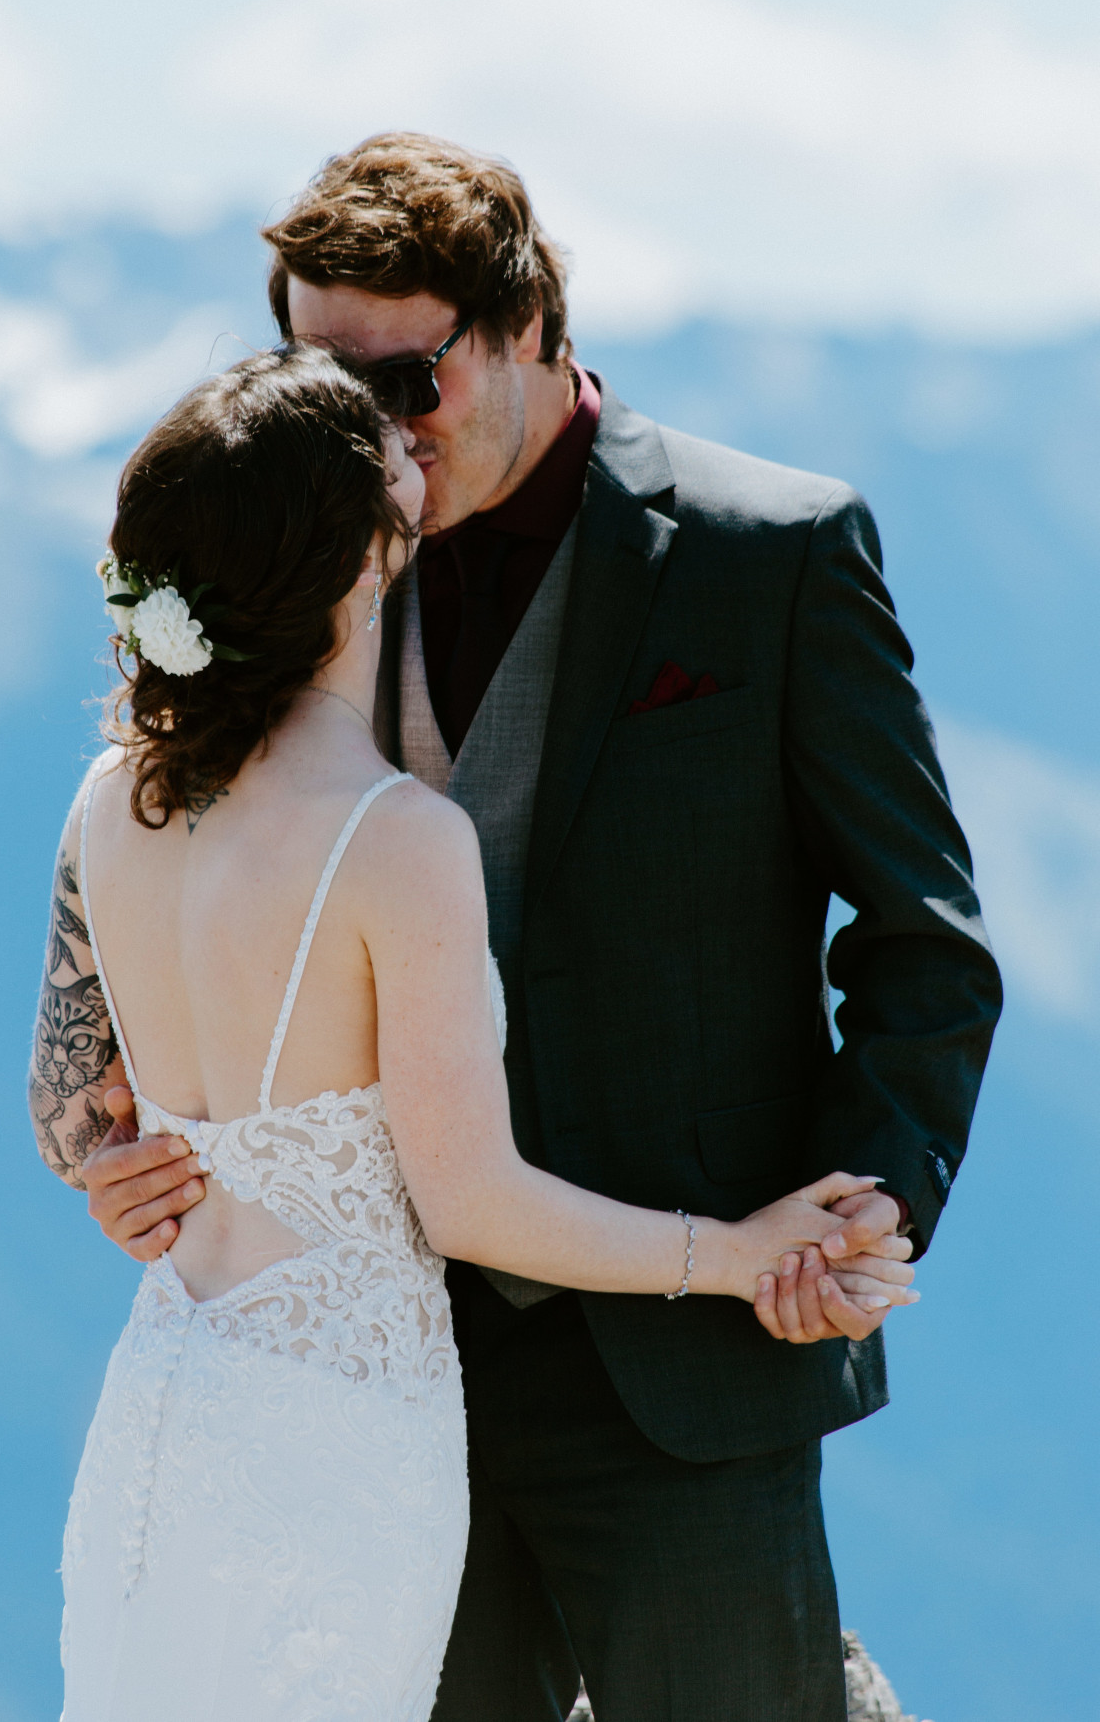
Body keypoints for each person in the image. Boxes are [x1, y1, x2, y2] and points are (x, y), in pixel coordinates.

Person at [74, 136, 1001, 1722]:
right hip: (377, 1386)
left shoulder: (769, 552)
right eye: (325, 383)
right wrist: (127, 1140)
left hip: (693, 1375)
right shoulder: (304, 554)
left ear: (528, 329)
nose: (370, 436)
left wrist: (855, 1215)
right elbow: (176, 879)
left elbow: (925, 939)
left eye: (408, 383)